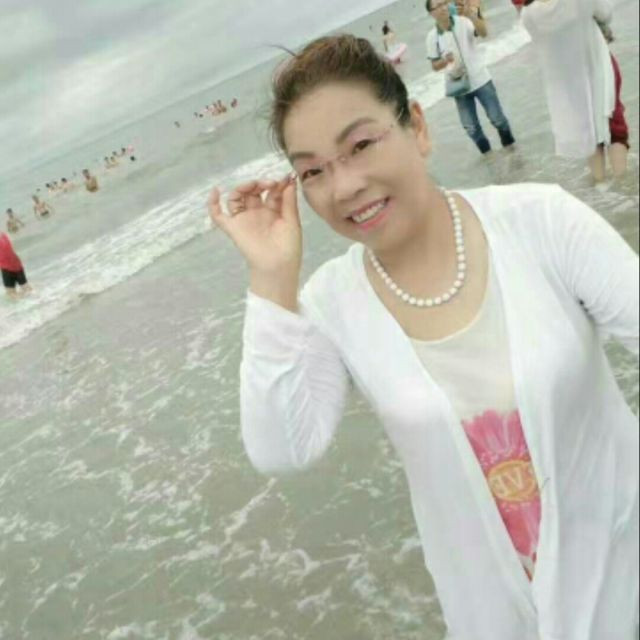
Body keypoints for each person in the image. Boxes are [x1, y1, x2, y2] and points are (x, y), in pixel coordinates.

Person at [208, 35, 639, 639]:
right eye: (313, 172)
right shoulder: (333, 304)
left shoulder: (540, 221)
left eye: (360, 145)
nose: (344, 186)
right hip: (495, 620)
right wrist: (273, 276)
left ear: (417, 126)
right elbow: (283, 448)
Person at [521, 0, 629, 184]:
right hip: (597, 63)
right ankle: (621, 184)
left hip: (567, 78)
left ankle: (600, 185)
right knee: (614, 122)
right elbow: (605, 12)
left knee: (588, 127)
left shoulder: (528, 14)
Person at [426, 0, 516, 154]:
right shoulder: (432, 37)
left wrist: (471, 15)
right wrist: (445, 60)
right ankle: (490, 159)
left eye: (445, 3)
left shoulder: (463, 21)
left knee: (498, 119)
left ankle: (513, 153)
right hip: (458, 86)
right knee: (471, 129)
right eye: (438, 6)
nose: (443, 7)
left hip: (481, 79)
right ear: (431, 13)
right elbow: (434, 66)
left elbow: (483, 33)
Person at [0, 232, 32, 299]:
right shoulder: (4, 236)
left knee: (11, 293)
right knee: (26, 287)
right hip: (17, 264)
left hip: (7, 268)